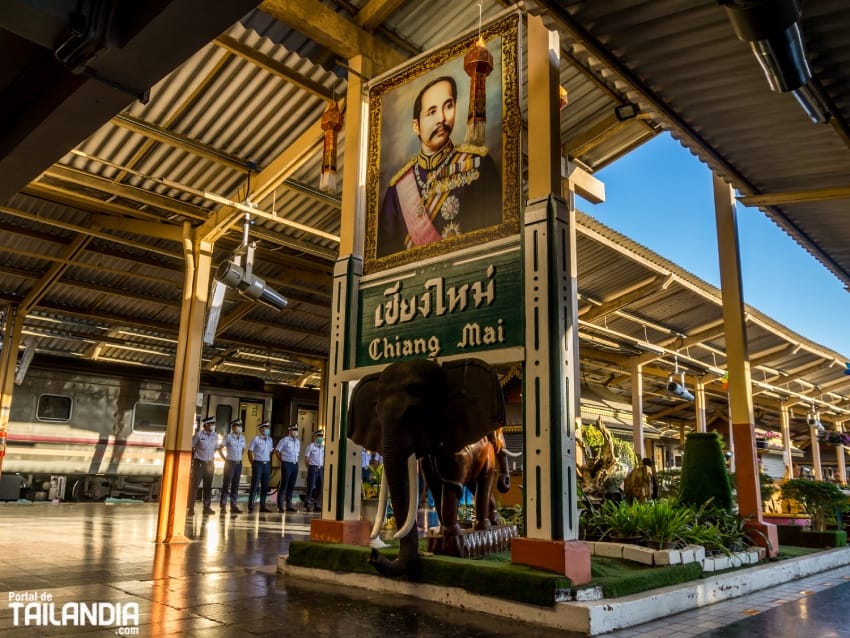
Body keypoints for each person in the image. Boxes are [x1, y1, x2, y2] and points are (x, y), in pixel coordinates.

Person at [376, 75, 501, 257]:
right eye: (432, 112)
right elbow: (385, 256)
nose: (442, 118)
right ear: (416, 126)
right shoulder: (397, 190)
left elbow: (495, 234)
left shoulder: (479, 165)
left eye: (448, 106)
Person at [188, 416, 219, 516]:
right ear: (206, 425)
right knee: (195, 486)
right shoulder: (198, 435)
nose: (213, 426)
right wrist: (193, 460)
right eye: (211, 424)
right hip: (199, 463)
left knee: (208, 486)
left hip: (210, 463)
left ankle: (207, 507)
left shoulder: (215, 435)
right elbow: (191, 447)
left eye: (213, 424)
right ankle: (191, 508)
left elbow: (215, 448)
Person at [218, 419, 246, 514]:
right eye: (237, 425)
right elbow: (220, 448)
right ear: (233, 427)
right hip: (230, 463)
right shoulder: (228, 437)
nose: (239, 427)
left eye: (240, 425)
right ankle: (223, 506)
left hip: (238, 464)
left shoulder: (242, 438)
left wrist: (239, 457)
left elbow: (243, 449)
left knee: (236, 485)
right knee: (226, 484)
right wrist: (224, 458)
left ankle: (233, 506)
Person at [247, 421, 274, 513]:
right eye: (266, 428)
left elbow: (270, 452)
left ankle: (263, 506)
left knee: (265, 486)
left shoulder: (270, 440)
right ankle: (251, 505)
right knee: (255, 485)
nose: (267, 429)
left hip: (267, 464)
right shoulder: (256, 439)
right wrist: (252, 463)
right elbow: (249, 452)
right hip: (258, 463)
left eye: (268, 428)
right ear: (261, 429)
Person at [275, 424, 301, 512]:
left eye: (296, 429)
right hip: (287, 464)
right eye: (294, 429)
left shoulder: (297, 441)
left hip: (295, 464)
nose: (295, 431)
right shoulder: (284, 440)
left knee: (291, 486)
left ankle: (289, 505)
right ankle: (280, 505)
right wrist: (282, 460)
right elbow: (277, 451)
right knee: (284, 485)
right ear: (289, 430)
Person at [303, 430, 325, 512]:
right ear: (315, 437)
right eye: (319, 436)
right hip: (313, 468)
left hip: (320, 468)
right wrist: (309, 468)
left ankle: (317, 504)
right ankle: (307, 504)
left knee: (320, 487)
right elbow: (306, 459)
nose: (320, 438)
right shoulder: (311, 446)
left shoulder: (323, 447)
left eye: (322, 436)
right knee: (311, 486)